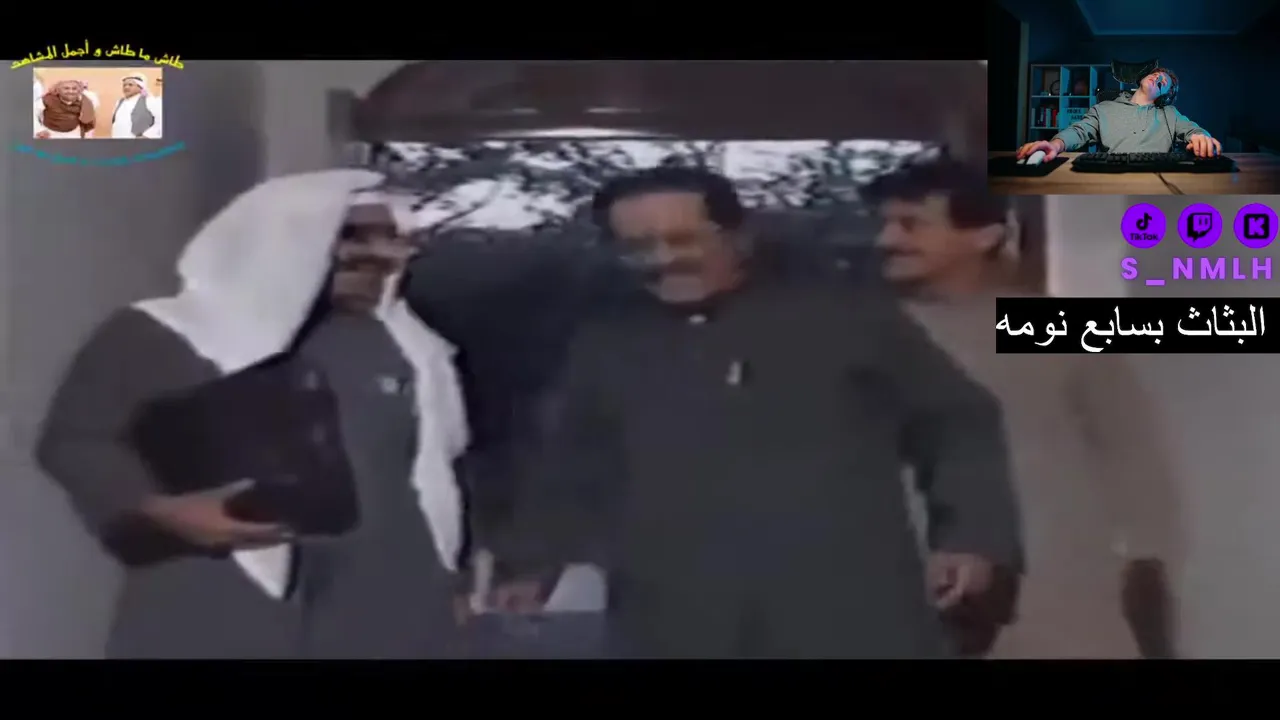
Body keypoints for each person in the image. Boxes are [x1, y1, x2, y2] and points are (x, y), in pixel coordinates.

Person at [489, 166, 1024, 658]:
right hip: (675, 623)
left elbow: (960, 421)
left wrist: (972, 537)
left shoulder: (847, 317)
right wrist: (530, 564)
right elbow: (569, 464)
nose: (661, 259)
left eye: (682, 239)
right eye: (637, 247)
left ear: (739, 236)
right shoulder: (606, 344)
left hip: (855, 615)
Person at [35, 170, 474, 658]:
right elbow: (75, 439)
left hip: (387, 600)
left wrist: (450, 577)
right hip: (217, 594)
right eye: (356, 238)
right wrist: (157, 509)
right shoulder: (162, 332)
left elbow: (436, 471)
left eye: (395, 242)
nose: (385, 258)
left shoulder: (407, 348)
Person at [868, 159, 1184, 658]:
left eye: (911, 224)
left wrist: (1145, 566)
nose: (887, 239)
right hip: (903, 585)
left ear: (985, 235)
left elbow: (1130, 453)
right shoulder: (862, 335)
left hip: (1057, 588)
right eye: (885, 223)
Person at [1015, 67, 1222, 161]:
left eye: (1163, 82)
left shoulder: (1170, 113)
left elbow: (1193, 130)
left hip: (1158, 180)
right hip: (1112, 176)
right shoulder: (1103, 108)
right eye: (1155, 74)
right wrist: (1055, 145)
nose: (1158, 78)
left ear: (1163, 97)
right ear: (1143, 77)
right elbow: (1079, 131)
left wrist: (1201, 138)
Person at [111, 74, 161, 139]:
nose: (126, 87)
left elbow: (160, 123)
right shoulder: (119, 102)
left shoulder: (149, 100)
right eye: (124, 85)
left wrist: (147, 136)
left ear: (140, 87)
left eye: (130, 85)